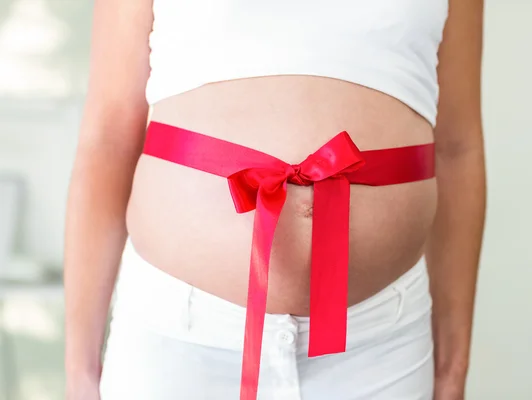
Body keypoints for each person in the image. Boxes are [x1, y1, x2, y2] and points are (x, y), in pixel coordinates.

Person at [64, 0, 486, 399]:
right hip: (178, 345)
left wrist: (453, 367)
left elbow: (456, 148)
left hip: (380, 351)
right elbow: (108, 139)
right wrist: (80, 372)